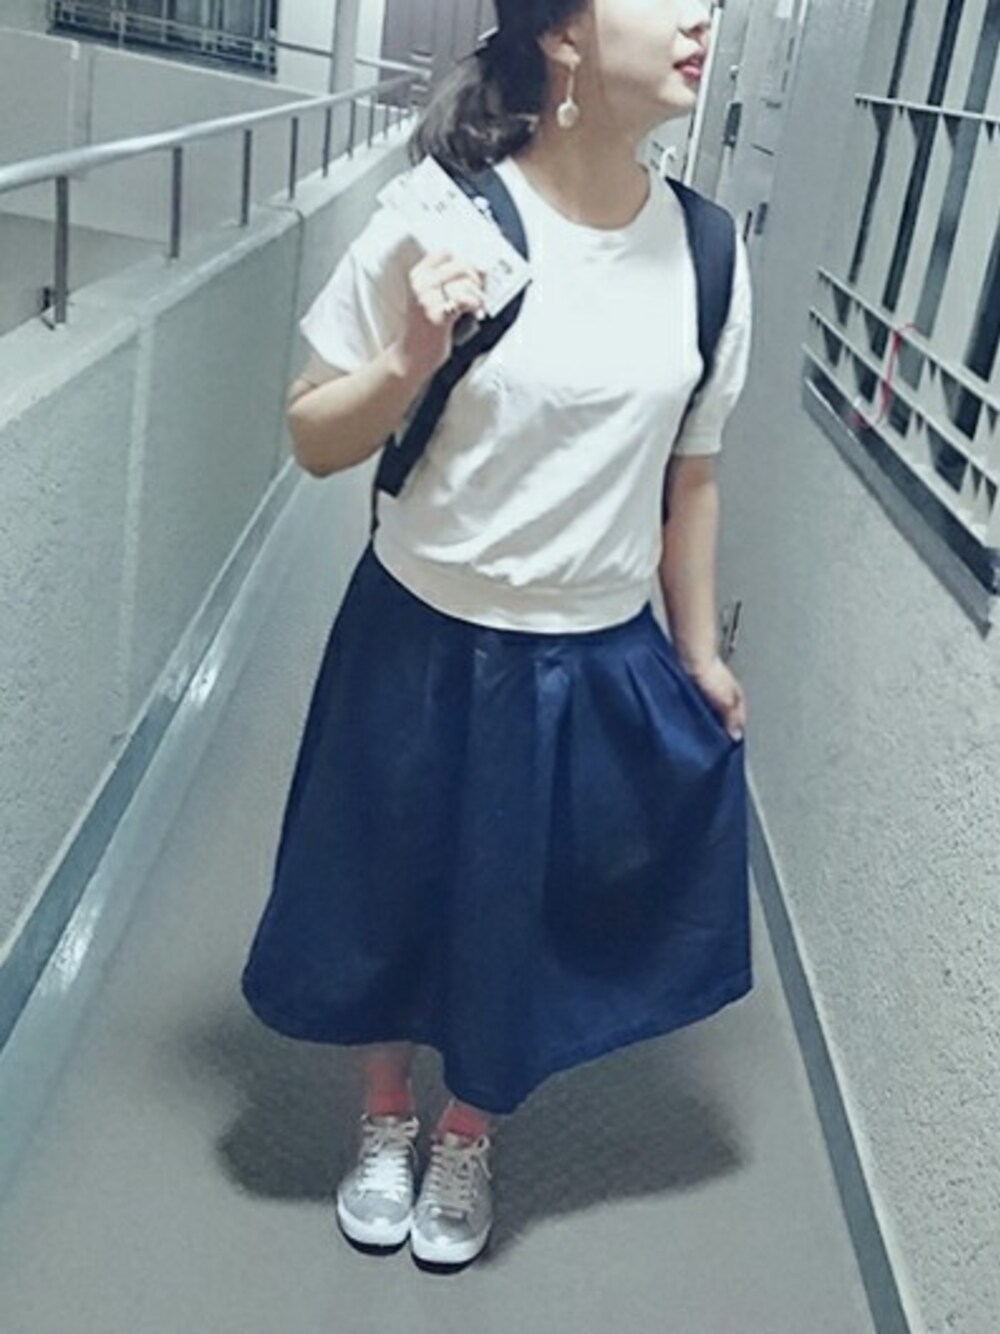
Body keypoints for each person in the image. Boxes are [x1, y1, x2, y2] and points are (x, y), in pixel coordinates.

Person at [241, 0, 754, 1269]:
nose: (701, 13)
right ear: (563, 38)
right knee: (386, 884)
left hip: (587, 652)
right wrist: (409, 358)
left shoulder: (707, 250)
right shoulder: (442, 214)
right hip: (417, 630)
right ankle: (384, 1114)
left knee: (516, 906)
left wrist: (698, 651)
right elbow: (312, 433)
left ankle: (468, 1127)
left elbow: (691, 472)